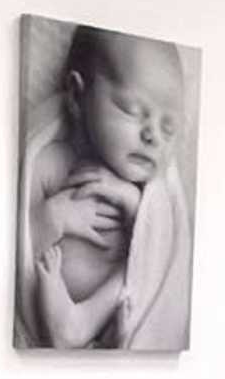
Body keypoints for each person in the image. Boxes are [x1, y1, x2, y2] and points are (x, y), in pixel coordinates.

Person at [21, 24, 191, 350]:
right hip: (49, 308)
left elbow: (159, 250)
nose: (152, 136)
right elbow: (21, 244)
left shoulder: (147, 192)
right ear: (77, 95)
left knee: (128, 276)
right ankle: (67, 324)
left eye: (168, 128)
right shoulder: (50, 163)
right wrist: (55, 217)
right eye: (132, 110)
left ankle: (80, 325)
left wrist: (134, 204)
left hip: (112, 314)